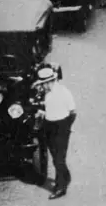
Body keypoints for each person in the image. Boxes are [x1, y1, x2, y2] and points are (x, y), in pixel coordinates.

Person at [36, 67, 76, 199]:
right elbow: (45, 107)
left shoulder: (64, 93)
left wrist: (66, 127)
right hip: (49, 126)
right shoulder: (45, 93)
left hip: (61, 127)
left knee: (59, 159)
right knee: (56, 157)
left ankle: (60, 187)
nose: (41, 86)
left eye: (43, 84)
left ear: (49, 82)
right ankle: (66, 176)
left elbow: (73, 112)